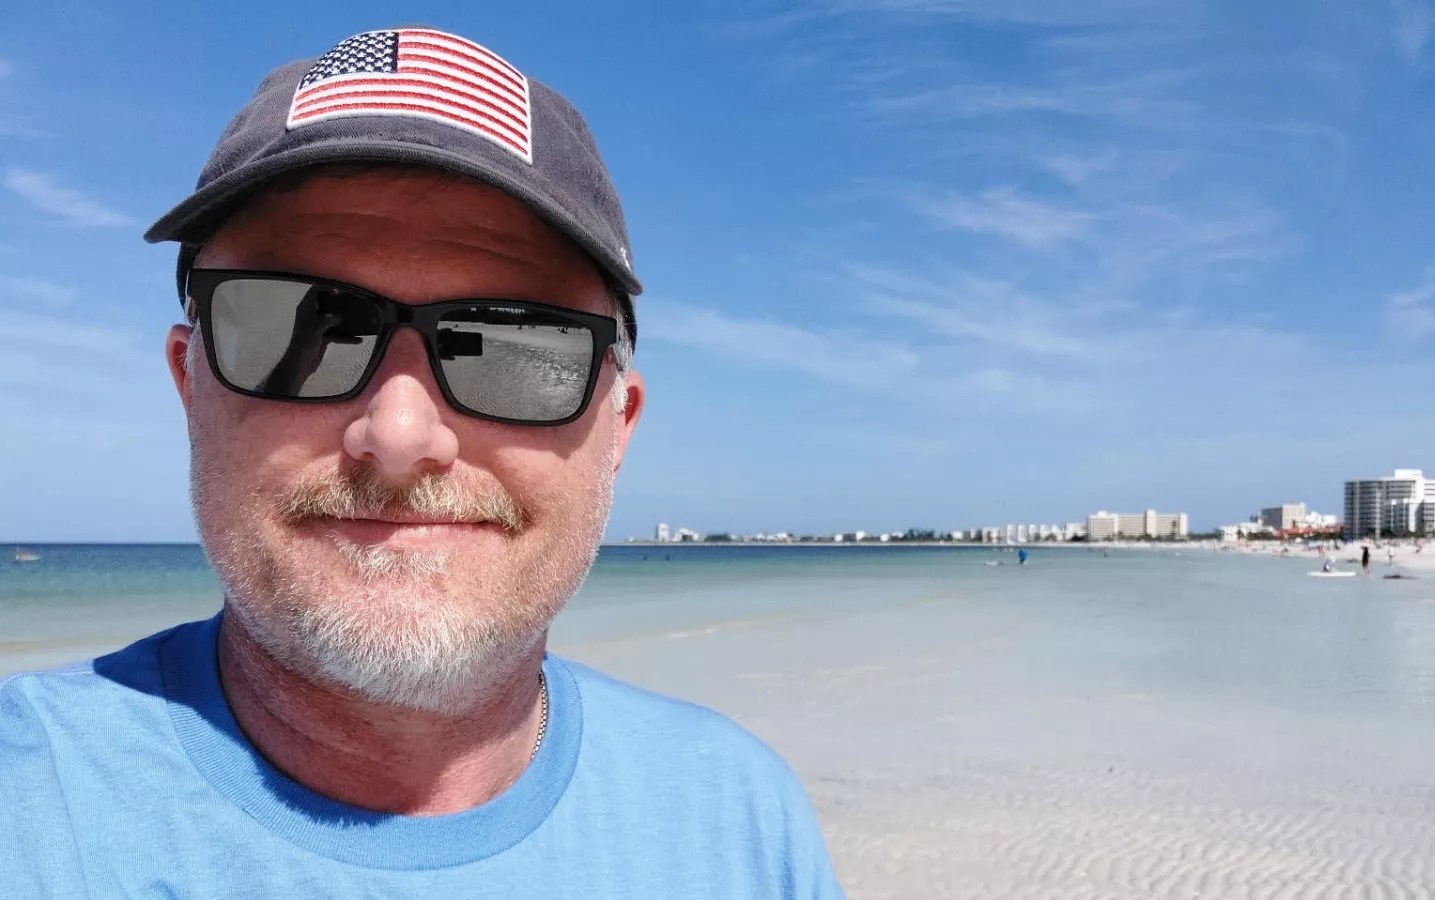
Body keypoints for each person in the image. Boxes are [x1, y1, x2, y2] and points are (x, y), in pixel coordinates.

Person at [0, 28, 842, 898]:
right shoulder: (30, 811)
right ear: (190, 382)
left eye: (514, 348)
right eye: (301, 330)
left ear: (617, 426)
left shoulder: (736, 822)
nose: (399, 435)